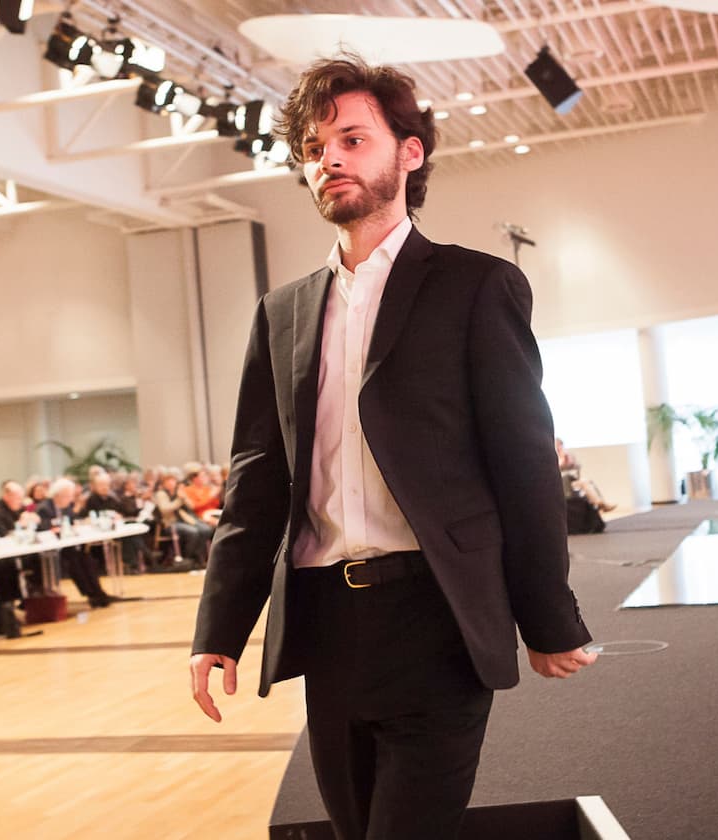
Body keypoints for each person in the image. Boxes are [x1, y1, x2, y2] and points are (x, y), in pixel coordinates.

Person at [189, 56, 596, 840]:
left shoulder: (475, 287)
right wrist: (219, 629)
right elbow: (256, 484)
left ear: (409, 152)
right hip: (327, 627)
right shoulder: (283, 313)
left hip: (435, 616)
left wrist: (548, 617)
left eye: (350, 138)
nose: (329, 159)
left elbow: (523, 462)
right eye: (312, 149)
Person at [35, 478, 115, 608]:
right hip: (50, 551)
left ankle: (97, 592)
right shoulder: (44, 508)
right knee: (74, 562)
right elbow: (42, 527)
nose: (70, 499)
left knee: (87, 559)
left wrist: (82, 522)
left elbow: (73, 521)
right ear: (58, 495)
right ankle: (92, 594)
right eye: (68, 496)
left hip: (67, 546)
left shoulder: (66, 508)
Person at [155, 472, 212, 567]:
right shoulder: (161, 494)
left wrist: (184, 497)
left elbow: (192, 506)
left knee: (206, 530)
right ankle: (188, 558)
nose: (171, 484)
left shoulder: (180, 492)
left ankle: (199, 556)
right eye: (168, 482)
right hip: (171, 523)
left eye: (173, 481)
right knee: (193, 532)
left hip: (186, 520)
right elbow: (165, 509)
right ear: (164, 484)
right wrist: (179, 500)